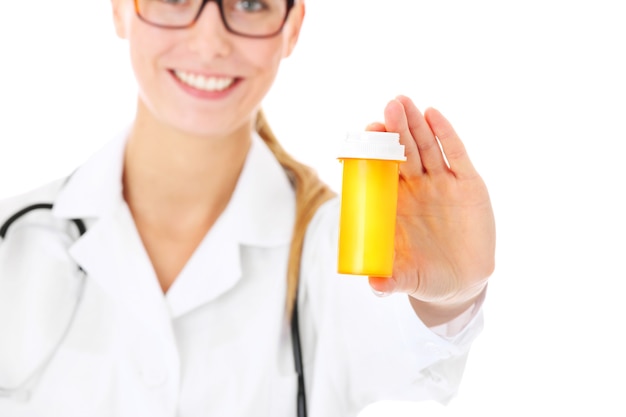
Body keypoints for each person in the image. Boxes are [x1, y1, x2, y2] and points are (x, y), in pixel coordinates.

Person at [0, 0, 496, 415]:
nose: (210, 41)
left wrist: (451, 296)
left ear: (292, 26)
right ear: (120, 9)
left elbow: (413, 352)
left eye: (250, 3)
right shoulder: (14, 242)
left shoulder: (335, 252)